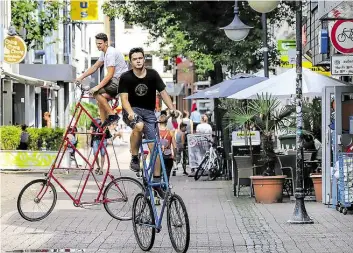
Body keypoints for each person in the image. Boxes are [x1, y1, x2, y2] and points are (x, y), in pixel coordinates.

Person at [118, 47, 177, 198]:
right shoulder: (126, 77)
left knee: (155, 147)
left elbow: (163, 93)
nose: (138, 61)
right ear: (131, 62)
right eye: (135, 59)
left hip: (150, 113)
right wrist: (130, 113)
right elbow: (124, 99)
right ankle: (134, 157)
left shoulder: (153, 75)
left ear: (144, 59)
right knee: (139, 125)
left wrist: (172, 109)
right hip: (132, 110)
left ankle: (157, 183)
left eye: (140, 58)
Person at [75, 33, 128, 126]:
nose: (98, 45)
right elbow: (95, 66)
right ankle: (104, 128)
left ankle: (112, 115)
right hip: (116, 81)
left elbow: (110, 74)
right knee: (100, 102)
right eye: (97, 43)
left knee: (95, 92)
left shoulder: (110, 53)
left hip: (120, 81)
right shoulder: (104, 53)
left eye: (100, 43)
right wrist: (81, 77)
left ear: (106, 43)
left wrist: (97, 87)